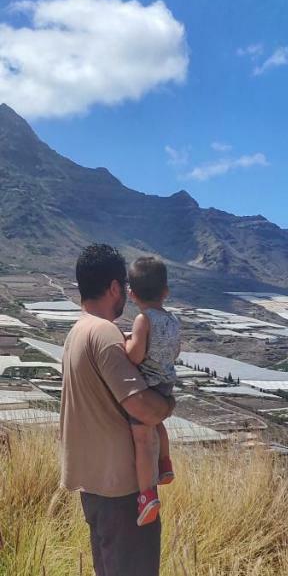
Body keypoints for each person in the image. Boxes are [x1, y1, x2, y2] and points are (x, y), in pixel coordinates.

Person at [61, 244, 174, 576]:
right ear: (113, 287)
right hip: (123, 494)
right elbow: (142, 407)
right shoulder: (104, 333)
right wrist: (168, 404)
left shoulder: (76, 332)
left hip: (94, 487)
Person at [123, 256, 180, 526]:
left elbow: (135, 356)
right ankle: (165, 464)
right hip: (166, 383)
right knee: (158, 424)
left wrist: (125, 344)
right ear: (165, 291)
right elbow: (176, 351)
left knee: (142, 439)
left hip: (148, 384)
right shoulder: (173, 321)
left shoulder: (143, 320)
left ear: (131, 293)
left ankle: (147, 495)